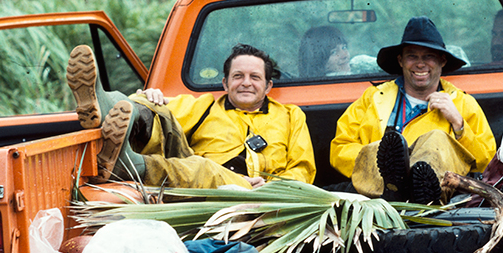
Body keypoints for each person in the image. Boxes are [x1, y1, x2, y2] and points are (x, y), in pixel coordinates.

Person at [66, 43, 316, 189]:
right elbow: (160, 113)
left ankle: (130, 165)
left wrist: (272, 187)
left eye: (255, 77)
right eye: (238, 76)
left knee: (202, 168)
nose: (246, 83)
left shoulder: (290, 115)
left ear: (268, 86)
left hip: (256, 190)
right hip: (198, 181)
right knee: (155, 109)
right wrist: (148, 97)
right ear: (225, 83)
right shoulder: (205, 106)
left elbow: (303, 169)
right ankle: (105, 102)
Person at [329, 16, 496, 204]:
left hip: (436, 205)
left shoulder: (462, 103)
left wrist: (458, 125)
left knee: (436, 140)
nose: (420, 64)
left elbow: (487, 163)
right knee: (381, 149)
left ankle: (421, 192)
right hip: (377, 200)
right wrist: (381, 164)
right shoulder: (373, 98)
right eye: (412, 56)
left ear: (442, 61)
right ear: (400, 60)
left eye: (428, 56)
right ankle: (396, 187)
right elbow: (340, 147)